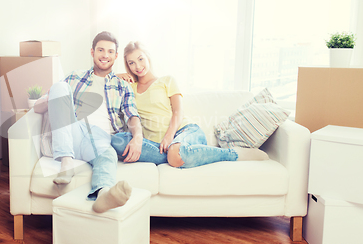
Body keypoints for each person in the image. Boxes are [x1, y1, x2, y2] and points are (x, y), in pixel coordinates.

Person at [33, 32, 143, 213]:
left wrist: (138, 137)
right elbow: (38, 108)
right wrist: (54, 95)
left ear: (116, 56)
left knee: (108, 156)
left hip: (101, 138)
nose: (105, 55)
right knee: (59, 87)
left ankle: (103, 195)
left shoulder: (123, 86)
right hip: (73, 131)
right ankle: (66, 163)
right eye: (100, 50)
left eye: (110, 51)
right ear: (92, 52)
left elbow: (133, 115)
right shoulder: (74, 77)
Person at [112, 41, 268, 168]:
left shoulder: (166, 80)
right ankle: (180, 155)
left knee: (174, 153)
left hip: (184, 131)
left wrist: (169, 136)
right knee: (116, 141)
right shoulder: (129, 87)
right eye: (131, 63)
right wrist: (116, 75)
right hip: (155, 145)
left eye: (140, 59)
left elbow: (178, 111)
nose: (137, 66)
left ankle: (233, 154)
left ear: (147, 57)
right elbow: (99, 79)